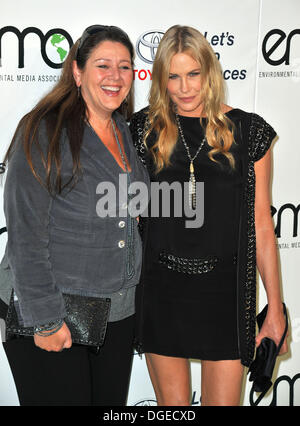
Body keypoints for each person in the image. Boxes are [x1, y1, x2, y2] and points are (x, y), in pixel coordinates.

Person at [129, 25, 288, 406]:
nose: (184, 88)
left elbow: (262, 226)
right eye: (174, 77)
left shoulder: (249, 132)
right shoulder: (142, 129)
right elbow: (131, 215)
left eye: (193, 74)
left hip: (225, 296)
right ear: (161, 79)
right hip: (161, 290)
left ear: (210, 72)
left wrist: (275, 310)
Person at [0, 25, 149, 406]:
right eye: (103, 65)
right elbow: (25, 235)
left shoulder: (123, 130)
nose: (115, 77)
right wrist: (45, 320)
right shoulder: (44, 131)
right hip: (53, 311)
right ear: (78, 73)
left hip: (116, 314)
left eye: (125, 67)